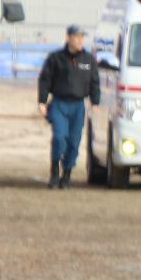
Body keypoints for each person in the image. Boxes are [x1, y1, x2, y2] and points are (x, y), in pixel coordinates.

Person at [37, 24, 99, 189]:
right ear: (68, 37)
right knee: (59, 137)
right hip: (59, 104)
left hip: (78, 107)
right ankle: (55, 172)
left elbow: (95, 82)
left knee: (74, 142)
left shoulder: (88, 59)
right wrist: (42, 101)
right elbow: (45, 80)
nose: (80, 40)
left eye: (82, 37)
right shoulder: (55, 58)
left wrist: (96, 101)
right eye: (76, 37)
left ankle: (67, 175)